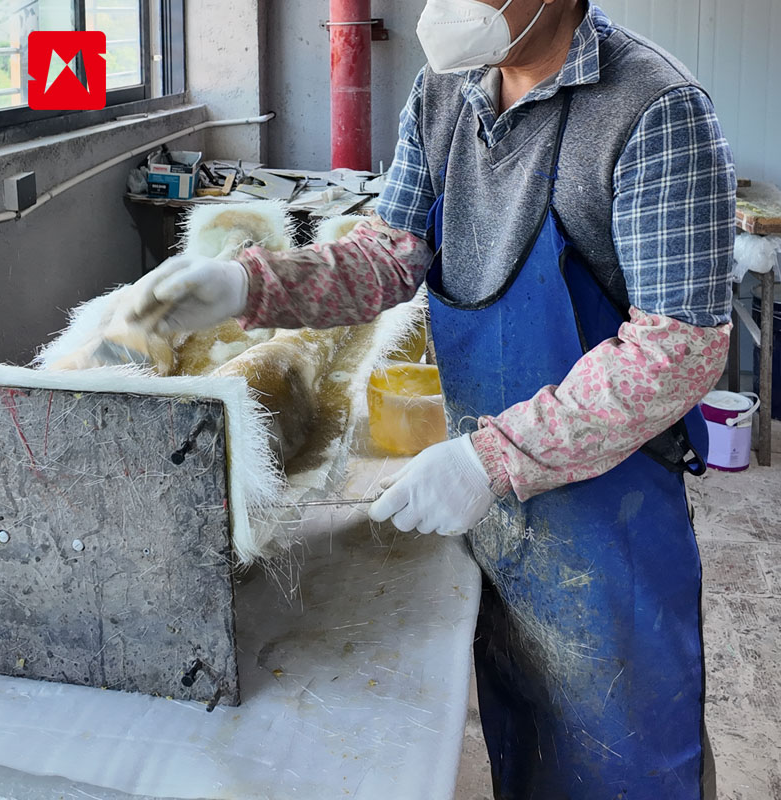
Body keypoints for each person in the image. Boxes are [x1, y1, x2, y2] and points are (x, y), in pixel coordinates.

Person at [130, 1, 735, 796]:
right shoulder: (444, 90)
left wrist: (495, 458)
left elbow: (678, 349)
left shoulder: (653, 108)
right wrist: (251, 283)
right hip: (485, 492)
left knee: (619, 752)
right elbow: (391, 254)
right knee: (529, 727)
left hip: (605, 509)